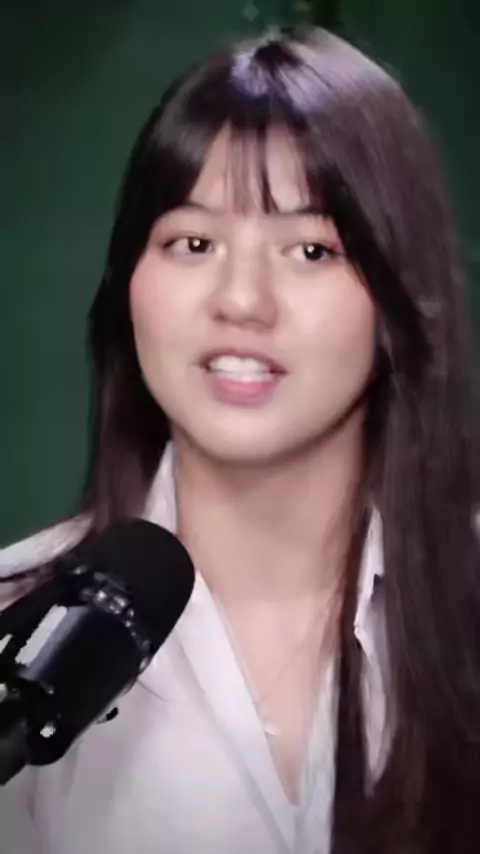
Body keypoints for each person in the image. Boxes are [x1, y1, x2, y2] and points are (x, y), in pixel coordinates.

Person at [0, 26, 479, 854]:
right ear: (129, 285)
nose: (243, 300)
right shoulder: (19, 630)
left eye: (311, 249)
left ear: (397, 296)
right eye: (193, 243)